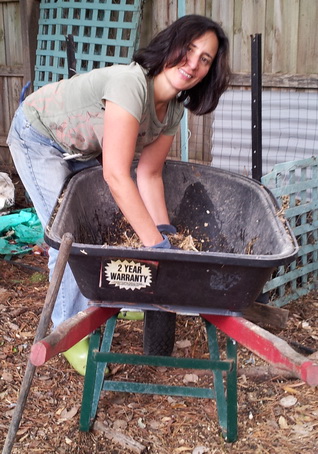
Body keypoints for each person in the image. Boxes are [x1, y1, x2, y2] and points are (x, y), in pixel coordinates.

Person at [7, 14, 230, 374]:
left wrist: (165, 235)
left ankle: (112, 293)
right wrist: (155, 248)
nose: (193, 64)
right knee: (65, 235)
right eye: (188, 50)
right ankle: (70, 333)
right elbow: (115, 174)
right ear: (171, 44)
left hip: (80, 148)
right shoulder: (132, 85)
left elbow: (149, 172)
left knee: (114, 219)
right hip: (40, 136)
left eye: (205, 59)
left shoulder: (172, 109)